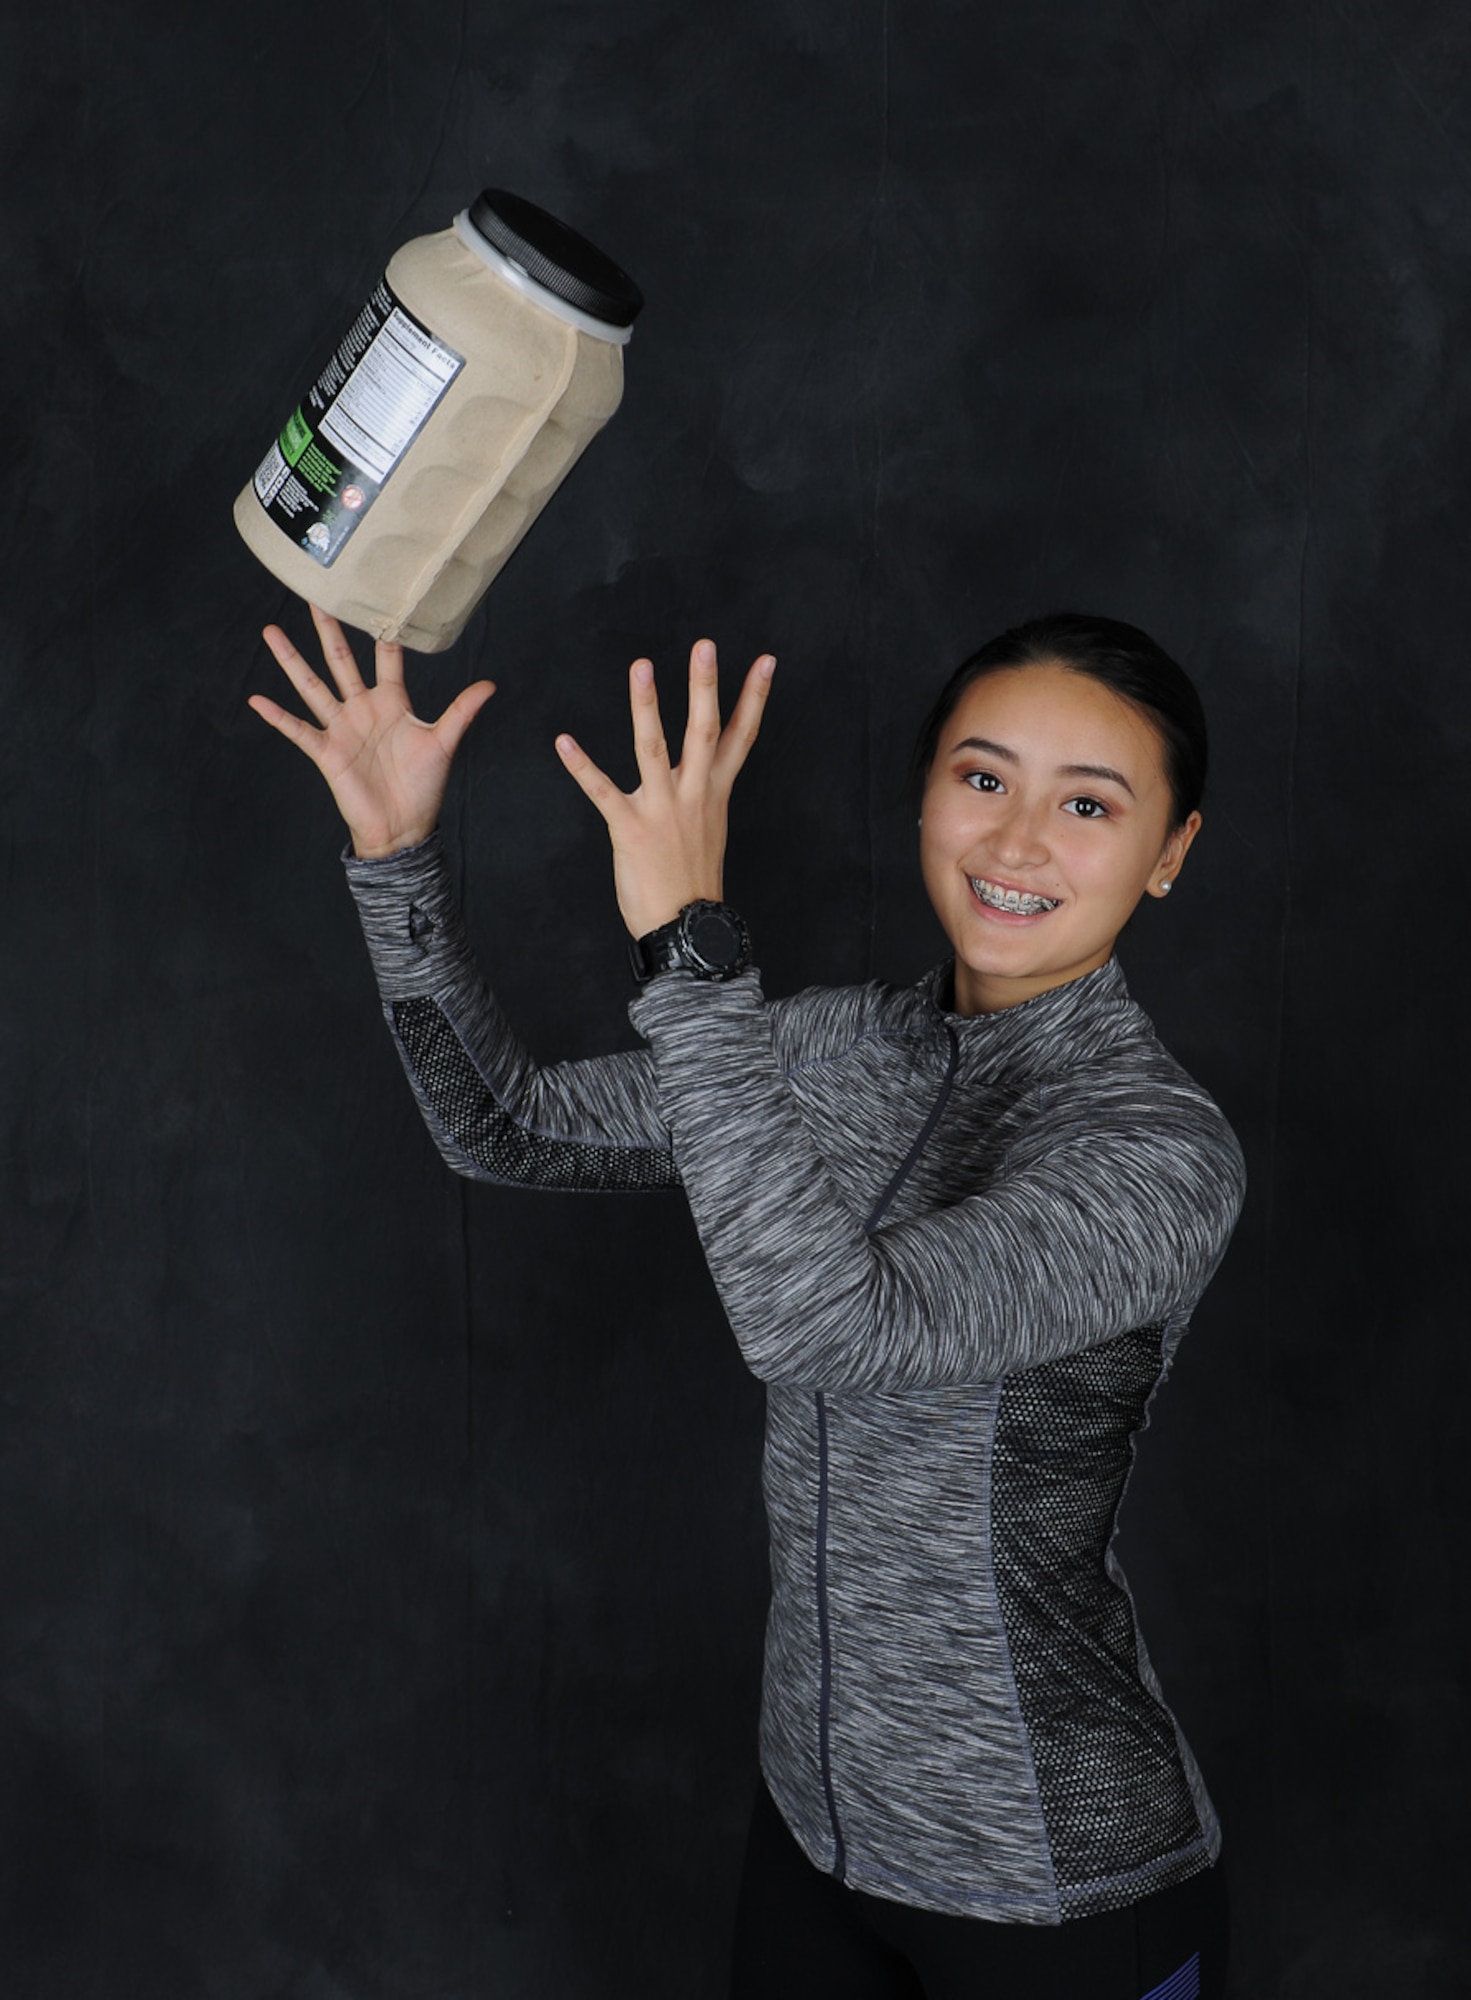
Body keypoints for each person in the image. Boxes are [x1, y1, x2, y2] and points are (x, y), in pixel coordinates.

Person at [250, 605, 1245, 2000]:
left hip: (1053, 1887)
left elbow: (832, 1328)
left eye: (1089, 804)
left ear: (1170, 854)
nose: (1017, 844)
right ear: (927, 795)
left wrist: (689, 951)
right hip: (814, 1840)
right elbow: (508, 1125)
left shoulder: (1157, 1154)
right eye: (981, 778)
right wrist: (394, 856)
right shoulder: (842, 1046)